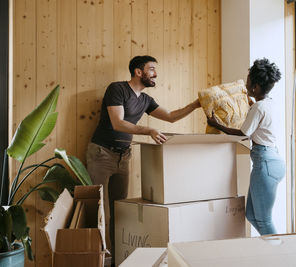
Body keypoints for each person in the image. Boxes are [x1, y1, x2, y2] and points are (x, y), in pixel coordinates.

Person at [86, 55, 201, 262]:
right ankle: (98, 260)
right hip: (101, 154)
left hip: (124, 156)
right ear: (138, 72)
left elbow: (171, 116)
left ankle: (114, 259)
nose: (155, 74)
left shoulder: (146, 100)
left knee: (118, 210)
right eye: (151, 69)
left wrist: (195, 104)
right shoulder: (117, 89)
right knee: (100, 211)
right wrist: (148, 129)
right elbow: (117, 123)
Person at [207, 58, 285, 235]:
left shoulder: (258, 107)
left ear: (255, 87)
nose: (246, 82)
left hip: (265, 163)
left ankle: (279, 254)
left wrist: (217, 124)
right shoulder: (269, 103)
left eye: (248, 80)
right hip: (272, 161)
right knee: (251, 215)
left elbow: (243, 134)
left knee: (264, 220)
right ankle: (272, 245)